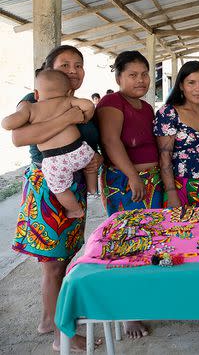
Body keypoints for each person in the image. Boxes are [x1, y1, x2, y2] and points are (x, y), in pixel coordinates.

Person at [8, 45, 102, 352]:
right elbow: (19, 137)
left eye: (78, 64)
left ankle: (55, 318)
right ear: (48, 69)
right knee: (52, 262)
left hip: (71, 183)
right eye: (65, 64)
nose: (73, 70)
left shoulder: (75, 101)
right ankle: (58, 330)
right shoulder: (36, 98)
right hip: (48, 187)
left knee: (64, 257)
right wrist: (67, 119)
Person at [2, 70, 97, 219]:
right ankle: (93, 188)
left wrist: (14, 116)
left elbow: (8, 124)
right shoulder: (67, 101)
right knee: (90, 161)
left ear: (37, 94)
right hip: (79, 151)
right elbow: (89, 105)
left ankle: (74, 210)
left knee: (60, 189)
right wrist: (83, 116)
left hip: (55, 161)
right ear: (68, 92)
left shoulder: (30, 107)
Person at [97, 51, 162, 216]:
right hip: (125, 181)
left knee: (154, 235)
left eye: (145, 74)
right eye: (133, 75)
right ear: (118, 78)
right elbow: (110, 140)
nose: (140, 80)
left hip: (152, 181)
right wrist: (133, 176)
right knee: (128, 234)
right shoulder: (112, 101)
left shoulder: (146, 107)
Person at [155, 61, 199, 207]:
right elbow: (165, 157)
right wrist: (171, 192)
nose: (198, 88)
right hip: (179, 186)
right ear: (181, 86)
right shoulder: (169, 113)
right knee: (179, 229)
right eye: (191, 83)